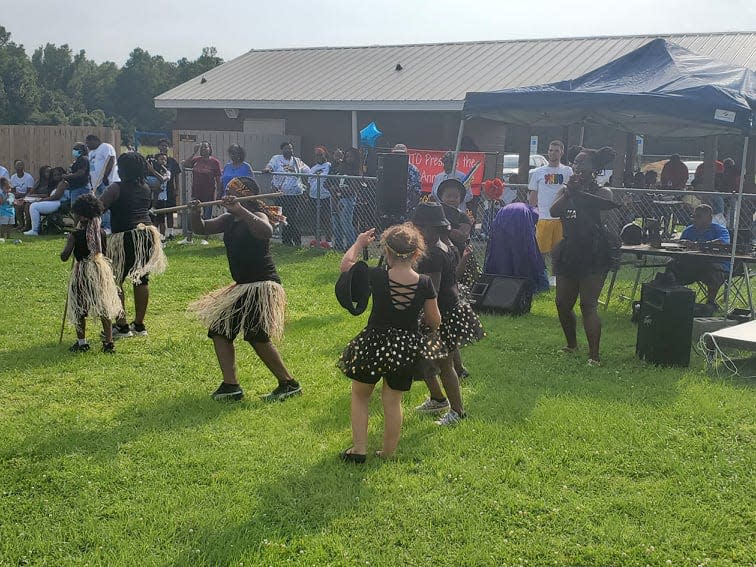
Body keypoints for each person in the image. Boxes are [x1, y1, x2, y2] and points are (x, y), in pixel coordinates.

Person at [187, 176, 301, 402]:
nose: (227, 195)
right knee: (220, 330)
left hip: (262, 285)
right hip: (242, 287)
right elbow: (202, 229)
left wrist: (240, 211)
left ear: (245, 196)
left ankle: (288, 383)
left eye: (233, 192)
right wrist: (195, 213)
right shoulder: (228, 219)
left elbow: (265, 232)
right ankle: (231, 385)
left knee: (257, 336)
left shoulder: (256, 216)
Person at [337, 224, 442, 462]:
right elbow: (435, 321)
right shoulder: (425, 283)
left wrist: (359, 243)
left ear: (386, 251)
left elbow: (345, 266)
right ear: (417, 253)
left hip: (373, 341)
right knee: (393, 401)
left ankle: (359, 449)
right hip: (405, 347)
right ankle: (387, 452)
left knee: (360, 395)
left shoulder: (377, 276)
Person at [413, 202, 483, 426]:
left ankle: (457, 411)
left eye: (420, 228)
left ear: (432, 229)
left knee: (444, 364)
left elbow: (431, 289)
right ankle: (437, 398)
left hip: (440, 313)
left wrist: (423, 314)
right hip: (450, 308)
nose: (417, 233)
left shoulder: (433, 253)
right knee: (424, 358)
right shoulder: (449, 244)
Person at [550, 146, 619, 366]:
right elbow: (554, 211)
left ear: (594, 168)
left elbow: (605, 216)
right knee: (562, 303)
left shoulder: (603, 193)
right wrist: (570, 192)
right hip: (569, 250)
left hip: (593, 251)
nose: (576, 166)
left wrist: (580, 193)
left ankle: (594, 356)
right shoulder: (565, 189)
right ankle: (571, 345)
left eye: (582, 163)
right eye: (575, 163)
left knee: (587, 305)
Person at [99, 152, 168, 338]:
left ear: (125, 170)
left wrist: (90, 201)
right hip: (146, 236)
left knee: (116, 280)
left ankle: (121, 326)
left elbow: (98, 207)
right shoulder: (145, 187)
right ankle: (139, 325)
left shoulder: (116, 188)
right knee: (141, 279)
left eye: (120, 167)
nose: (119, 170)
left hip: (124, 238)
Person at [60, 193, 122, 354]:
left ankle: (82, 342)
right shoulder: (100, 232)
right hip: (99, 270)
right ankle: (108, 343)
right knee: (103, 305)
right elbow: (104, 253)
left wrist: (69, 242)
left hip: (82, 273)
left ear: (80, 214)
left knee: (80, 307)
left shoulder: (75, 235)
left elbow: (64, 257)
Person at [528, 140, 573, 287]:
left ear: (562, 153)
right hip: (544, 217)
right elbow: (533, 195)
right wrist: (531, 212)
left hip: (561, 218)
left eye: (556, 151)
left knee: (558, 250)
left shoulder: (567, 171)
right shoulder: (538, 172)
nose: (553, 153)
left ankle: (555, 276)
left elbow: (571, 193)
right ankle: (541, 275)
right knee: (541, 250)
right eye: (550, 150)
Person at [666, 204, 730, 306]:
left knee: (713, 270)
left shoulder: (720, 230)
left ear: (709, 218)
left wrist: (697, 245)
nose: (694, 219)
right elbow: (680, 244)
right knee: (672, 264)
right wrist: (682, 243)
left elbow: (722, 242)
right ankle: (673, 299)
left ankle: (710, 304)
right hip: (693, 264)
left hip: (716, 263)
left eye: (699, 217)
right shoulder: (689, 229)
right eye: (694, 216)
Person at [484, 203, 549, 292]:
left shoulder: (526, 207)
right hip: (521, 216)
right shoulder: (535, 212)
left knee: (501, 250)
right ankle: (538, 286)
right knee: (525, 249)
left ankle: (499, 282)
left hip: (502, 215)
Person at [263, 142, 310, 246]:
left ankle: (295, 240)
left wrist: (311, 172)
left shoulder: (297, 161)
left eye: (291, 149)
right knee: (283, 217)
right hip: (281, 194)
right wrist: (267, 169)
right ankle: (287, 241)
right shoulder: (276, 158)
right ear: (282, 150)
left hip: (295, 195)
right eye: (287, 149)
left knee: (292, 217)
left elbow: (308, 171)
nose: (289, 151)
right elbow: (270, 166)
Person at [180, 140, 222, 245]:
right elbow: (185, 164)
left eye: (206, 147)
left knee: (207, 215)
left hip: (208, 193)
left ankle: (205, 238)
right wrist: (194, 152)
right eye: (202, 147)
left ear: (210, 149)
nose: (204, 149)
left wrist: (218, 193)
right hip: (196, 192)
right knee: (192, 214)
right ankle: (189, 238)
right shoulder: (196, 160)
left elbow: (218, 179)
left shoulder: (215, 162)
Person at [86, 134, 120, 233]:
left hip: (106, 181)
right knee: (100, 205)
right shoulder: (91, 152)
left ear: (95, 140)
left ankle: (108, 226)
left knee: (106, 204)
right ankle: (103, 225)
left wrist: (105, 176)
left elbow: (111, 160)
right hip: (96, 183)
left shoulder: (105, 147)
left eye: (89, 142)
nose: (87, 145)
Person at [23, 169, 70, 236]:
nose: (57, 176)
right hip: (54, 202)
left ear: (63, 175)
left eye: (59, 174)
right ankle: (35, 229)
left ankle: (35, 230)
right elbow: (48, 195)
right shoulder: (54, 184)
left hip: (59, 203)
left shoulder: (63, 183)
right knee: (33, 205)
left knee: (34, 206)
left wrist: (43, 200)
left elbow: (56, 196)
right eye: (55, 175)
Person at [331, 147, 360, 251]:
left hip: (347, 200)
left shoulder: (355, 171)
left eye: (351, 157)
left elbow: (353, 189)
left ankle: (351, 246)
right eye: (346, 156)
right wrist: (334, 190)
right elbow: (332, 184)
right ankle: (338, 245)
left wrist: (338, 189)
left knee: (346, 223)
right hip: (336, 199)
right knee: (336, 223)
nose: (348, 159)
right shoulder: (341, 169)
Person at [157, 138, 182, 240]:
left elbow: (176, 176)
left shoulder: (172, 161)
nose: (164, 147)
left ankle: (171, 233)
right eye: (162, 145)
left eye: (165, 145)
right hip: (159, 190)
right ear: (158, 147)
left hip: (170, 189)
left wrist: (177, 189)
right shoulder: (155, 160)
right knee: (160, 212)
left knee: (170, 212)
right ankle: (160, 234)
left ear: (168, 147)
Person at [308, 146, 332, 248]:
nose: (318, 157)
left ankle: (328, 242)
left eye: (320, 155)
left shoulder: (329, 166)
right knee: (315, 220)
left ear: (325, 155)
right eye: (316, 155)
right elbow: (309, 182)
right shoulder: (313, 168)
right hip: (313, 196)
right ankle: (317, 241)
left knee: (327, 220)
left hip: (325, 196)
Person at [147, 154, 171, 239]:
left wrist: (153, 170)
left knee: (161, 221)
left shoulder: (167, 172)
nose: (163, 161)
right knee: (153, 221)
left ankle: (163, 237)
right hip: (152, 199)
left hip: (162, 199)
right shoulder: (151, 173)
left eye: (165, 160)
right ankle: (154, 237)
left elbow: (163, 179)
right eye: (161, 159)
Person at [392, 143, 422, 213]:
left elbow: (417, 191)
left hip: (407, 207)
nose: (398, 156)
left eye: (401, 154)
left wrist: (412, 207)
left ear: (406, 154)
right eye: (396, 154)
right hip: (390, 205)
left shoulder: (413, 169)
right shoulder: (388, 167)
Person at [10, 160, 34, 227]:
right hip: (16, 197)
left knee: (19, 205)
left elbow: (30, 192)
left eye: (21, 165)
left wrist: (22, 196)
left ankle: (25, 225)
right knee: (12, 203)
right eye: (17, 165)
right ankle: (17, 224)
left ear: (23, 167)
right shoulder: (13, 177)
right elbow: (12, 190)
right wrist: (15, 195)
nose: (19, 167)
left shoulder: (29, 177)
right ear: (15, 167)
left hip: (27, 197)